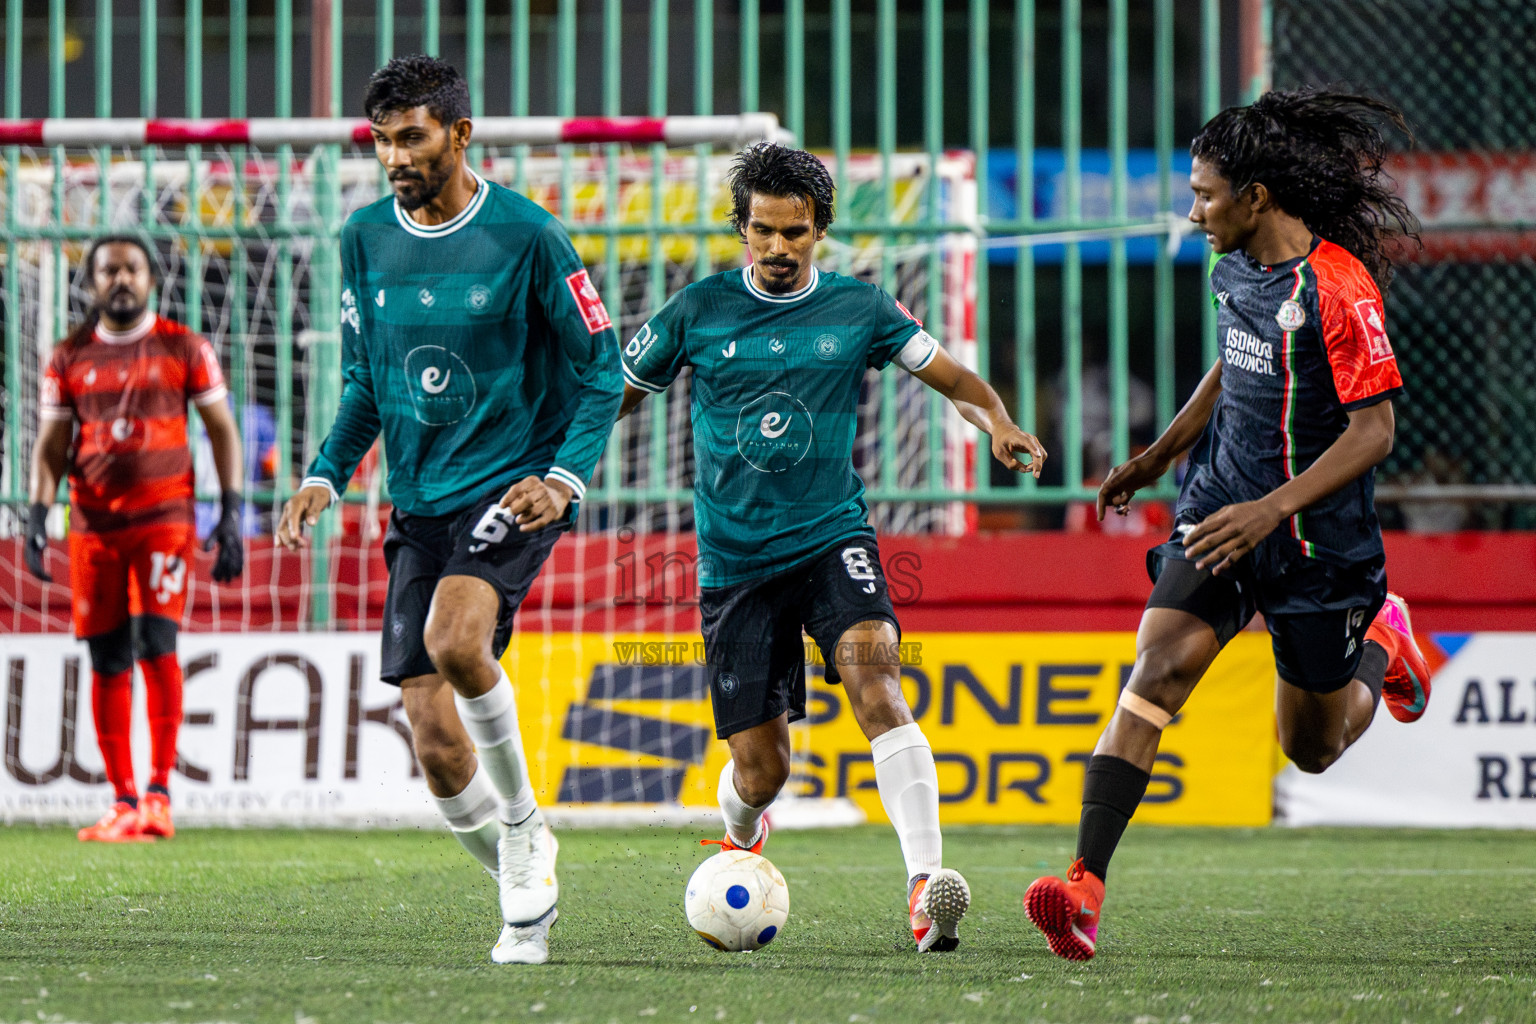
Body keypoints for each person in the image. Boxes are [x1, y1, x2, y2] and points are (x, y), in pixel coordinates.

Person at [1024, 89, 1432, 961]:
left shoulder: (1340, 288)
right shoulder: (1233, 267)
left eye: (1206, 194)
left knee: (1312, 749)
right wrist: (1159, 454)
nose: (1193, 209)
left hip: (1319, 543)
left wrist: (1273, 511)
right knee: (1157, 668)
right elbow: (1231, 365)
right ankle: (1083, 888)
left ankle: (1384, 648)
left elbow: (1376, 433)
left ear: (1256, 197)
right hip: (1219, 512)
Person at [617, 142, 1048, 952]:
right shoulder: (695, 311)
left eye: (796, 232)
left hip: (831, 536)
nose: (779, 249)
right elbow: (618, 397)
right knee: (761, 769)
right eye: (763, 232)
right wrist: (556, 465)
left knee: (876, 672)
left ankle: (927, 885)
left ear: (822, 229)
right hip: (735, 563)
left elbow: (954, 378)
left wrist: (998, 422)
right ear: (741, 229)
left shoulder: (861, 308)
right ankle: (741, 828)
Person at [275, 55, 622, 966]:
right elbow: (366, 380)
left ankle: (520, 826)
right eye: (383, 140)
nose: (394, 156)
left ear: (461, 135)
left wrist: (563, 479)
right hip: (417, 502)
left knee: (458, 641)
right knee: (433, 744)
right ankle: (528, 868)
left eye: (413, 137)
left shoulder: (531, 238)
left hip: (510, 486)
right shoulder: (362, 238)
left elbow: (600, 368)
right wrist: (325, 473)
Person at [27, 235, 245, 842]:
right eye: (107, 270)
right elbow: (49, 448)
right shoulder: (66, 355)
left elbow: (222, 431)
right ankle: (123, 800)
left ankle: (158, 794)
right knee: (106, 654)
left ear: (151, 278)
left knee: (156, 642)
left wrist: (229, 513)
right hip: (93, 525)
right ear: (90, 281)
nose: (120, 279)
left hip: (164, 521)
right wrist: (35, 517)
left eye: (131, 269)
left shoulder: (185, 345)